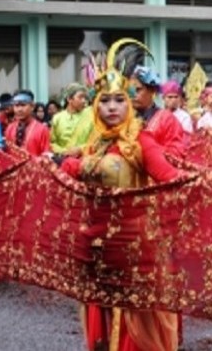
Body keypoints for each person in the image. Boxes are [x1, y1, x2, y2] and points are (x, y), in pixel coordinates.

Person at [57, 39, 183, 351]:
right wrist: (56, 165)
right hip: (96, 244)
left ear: (129, 104)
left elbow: (170, 177)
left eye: (119, 100)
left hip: (133, 248)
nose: (112, 107)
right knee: (101, 320)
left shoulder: (141, 139)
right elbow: (71, 168)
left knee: (131, 325)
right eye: (104, 101)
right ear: (94, 105)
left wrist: (208, 184)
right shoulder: (95, 143)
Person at [130, 66, 186, 157]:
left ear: (152, 90)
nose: (132, 95)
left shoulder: (167, 118)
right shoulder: (124, 117)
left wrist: (151, 151)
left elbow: (178, 151)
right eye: (130, 91)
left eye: (138, 90)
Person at [50, 83, 93, 159]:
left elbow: (96, 141)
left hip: (84, 159)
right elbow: (51, 143)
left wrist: (80, 149)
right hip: (62, 159)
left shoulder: (90, 116)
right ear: (69, 99)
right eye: (80, 97)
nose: (84, 101)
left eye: (85, 98)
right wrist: (64, 151)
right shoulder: (57, 118)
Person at [4, 90, 50, 157]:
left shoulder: (42, 129)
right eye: (16, 105)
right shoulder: (10, 128)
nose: (19, 109)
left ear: (32, 106)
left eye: (23, 105)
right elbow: (7, 154)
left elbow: (46, 156)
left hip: (34, 166)